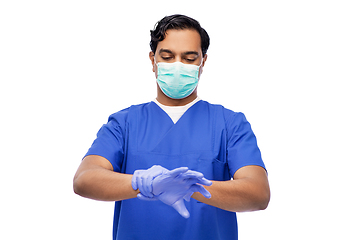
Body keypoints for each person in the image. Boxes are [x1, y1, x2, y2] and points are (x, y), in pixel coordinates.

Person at [73, 14, 270, 240]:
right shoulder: (124, 123)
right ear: (153, 59)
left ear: (203, 61)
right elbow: (84, 179)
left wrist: (189, 187)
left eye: (188, 58)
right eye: (167, 56)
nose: (177, 66)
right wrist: (147, 184)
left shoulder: (229, 124)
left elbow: (258, 193)